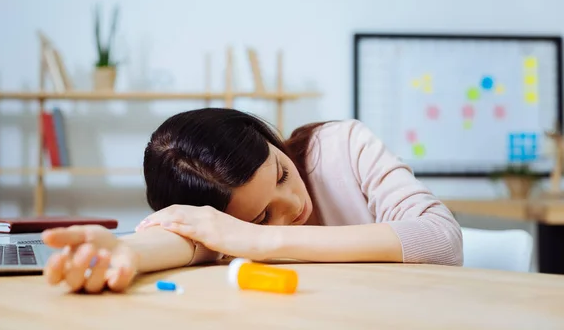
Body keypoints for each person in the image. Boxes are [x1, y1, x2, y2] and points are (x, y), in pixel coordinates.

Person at [42, 108, 463, 293]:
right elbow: (190, 240)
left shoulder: (343, 148)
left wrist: (259, 239)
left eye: (281, 173)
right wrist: (127, 252)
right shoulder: (222, 231)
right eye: (262, 217)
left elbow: (442, 240)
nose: (292, 204)